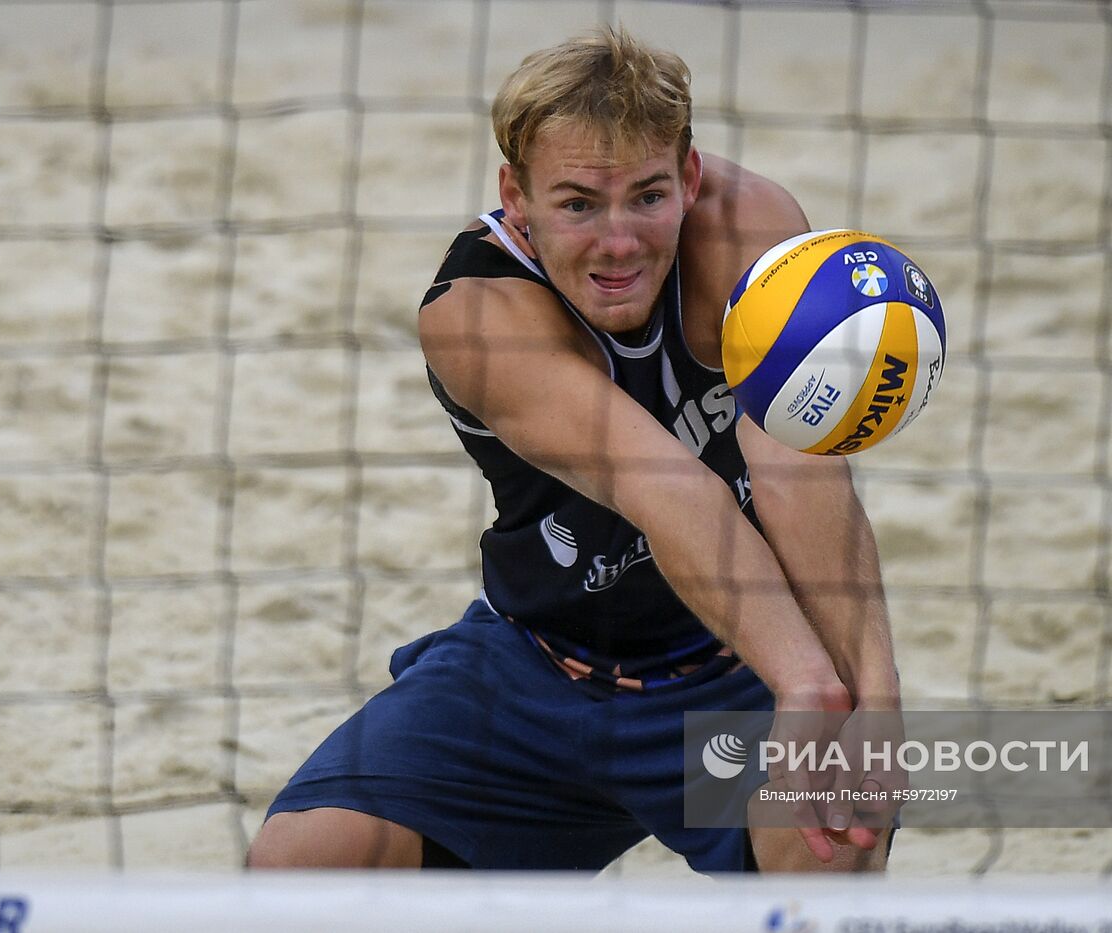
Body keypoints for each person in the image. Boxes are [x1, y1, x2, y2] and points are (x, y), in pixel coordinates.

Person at [247, 25, 900, 875]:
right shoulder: (476, 311)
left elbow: (801, 469)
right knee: (299, 867)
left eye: (648, 196)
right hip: (535, 674)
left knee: (836, 834)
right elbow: (667, 488)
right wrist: (811, 684)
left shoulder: (752, 232)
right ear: (516, 196)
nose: (619, 240)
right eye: (579, 203)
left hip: (736, 667)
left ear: (689, 177)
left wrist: (869, 699)